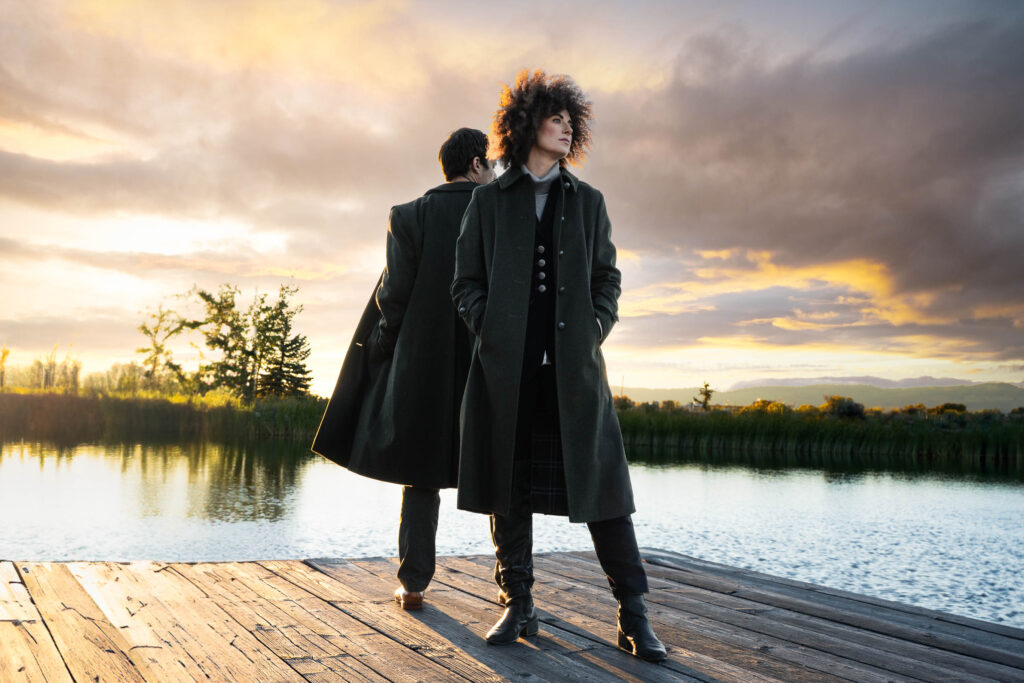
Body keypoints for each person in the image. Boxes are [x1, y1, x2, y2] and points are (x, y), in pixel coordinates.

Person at [451, 71, 667, 662]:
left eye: (572, 120)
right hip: (507, 372)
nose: (568, 127)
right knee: (508, 487)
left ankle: (633, 613)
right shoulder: (489, 201)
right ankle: (518, 603)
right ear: (526, 126)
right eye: (556, 118)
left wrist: (596, 328)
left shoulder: (589, 202)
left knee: (604, 491)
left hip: (573, 374)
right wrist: (490, 330)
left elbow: (608, 279)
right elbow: (464, 281)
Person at [312, 128, 495, 610]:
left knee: (422, 475)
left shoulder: (409, 216)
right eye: (491, 163)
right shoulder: (499, 213)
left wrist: (378, 348)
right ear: (476, 165)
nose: (494, 171)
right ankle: (512, 588)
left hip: (423, 367)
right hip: (488, 363)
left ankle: (414, 584)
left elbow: (392, 297)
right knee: (499, 471)